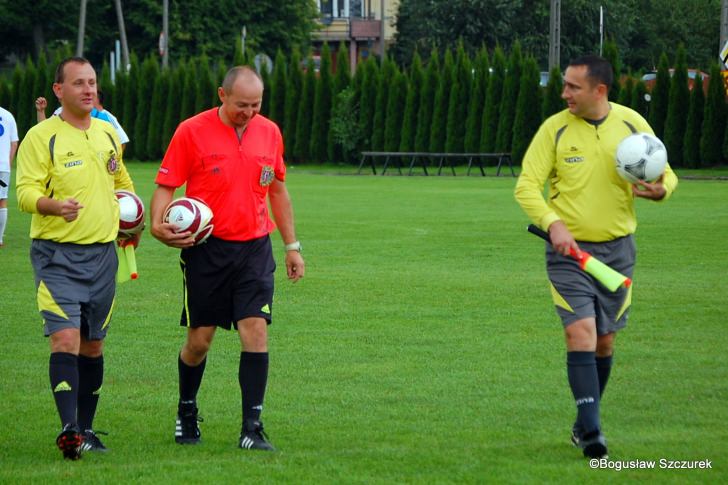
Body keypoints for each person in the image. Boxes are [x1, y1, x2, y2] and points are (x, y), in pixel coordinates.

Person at [514, 55, 678, 459]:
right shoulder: (553, 130)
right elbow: (526, 187)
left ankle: (581, 421)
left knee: (604, 342)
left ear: (599, 90)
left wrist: (663, 189)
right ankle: (592, 434)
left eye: (573, 86)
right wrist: (553, 223)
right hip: (568, 254)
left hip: (618, 253)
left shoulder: (632, 124)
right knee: (580, 333)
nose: (564, 92)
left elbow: (664, 171)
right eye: (565, 85)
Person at [150, 65, 304, 451]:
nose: (249, 112)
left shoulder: (269, 132)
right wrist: (156, 224)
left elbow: (279, 191)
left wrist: (291, 246)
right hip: (206, 250)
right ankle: (187, 409)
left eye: (255, 105)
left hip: (254, 248)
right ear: (222, 95)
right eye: (241, 105)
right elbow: (166, 185)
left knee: (256, 329)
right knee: (200, 341)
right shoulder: (191, 131)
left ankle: (252, 427)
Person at [16, 57, 138, 460]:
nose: (88, 90)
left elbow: (121, 181)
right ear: (58, 90)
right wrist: (52, 206)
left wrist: (131, 219)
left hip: (104, 256)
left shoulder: (106, 133)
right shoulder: (40, 136)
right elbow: (24, 194)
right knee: (64, 338)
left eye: (92, 83)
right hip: (57, 257)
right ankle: (68, 428)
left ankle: (86, 429)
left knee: (93, 346)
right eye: (79, 83)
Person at [35, 90, 129, 149]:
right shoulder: (60, 111)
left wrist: (113, 162)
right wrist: (41, 111)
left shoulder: (105, 116)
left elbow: (122, 140)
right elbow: (44, 130)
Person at [0, 105, 19, 247]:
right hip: (3, 166)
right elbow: (14, 143)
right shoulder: (8, 115)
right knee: (2, 201)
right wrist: (8, 163)